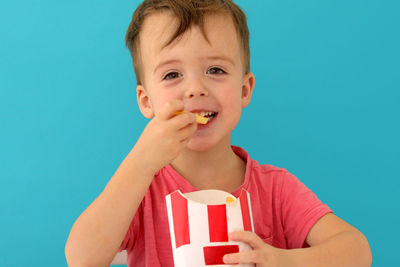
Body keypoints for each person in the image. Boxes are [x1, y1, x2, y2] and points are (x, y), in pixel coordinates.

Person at [65, 0, 372, 266]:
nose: (196, 89)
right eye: (173, 74)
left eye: (215, 70)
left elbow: (357, 251)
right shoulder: (139, 191)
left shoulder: (277, 190)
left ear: (244, 90)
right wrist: (140, 162)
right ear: (146, 101)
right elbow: (81, 258)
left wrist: (284, 260)